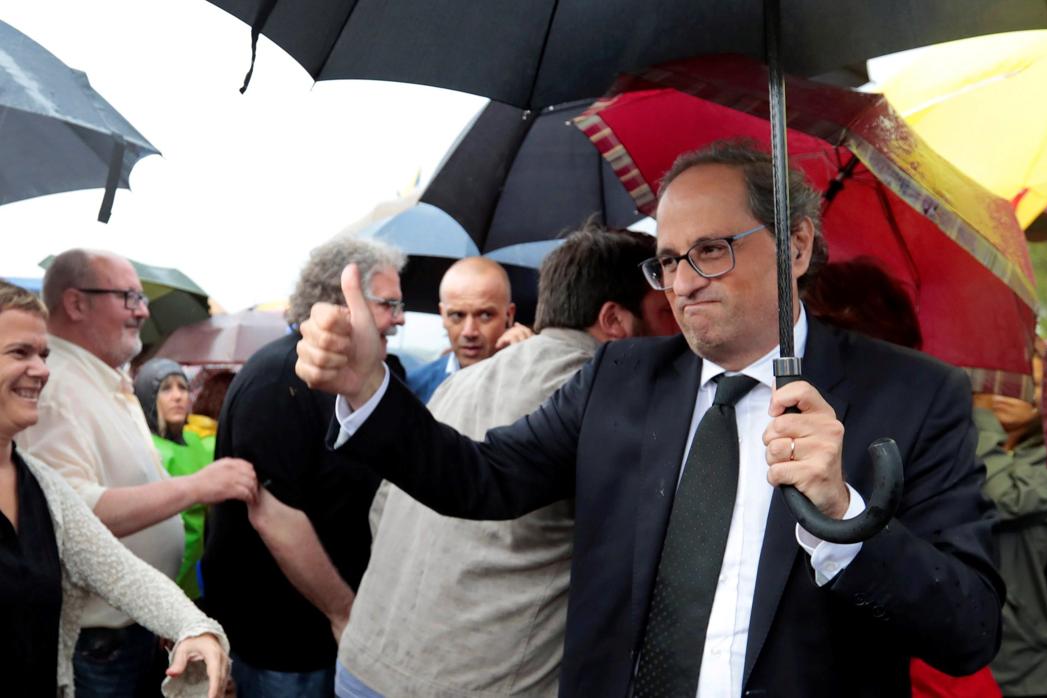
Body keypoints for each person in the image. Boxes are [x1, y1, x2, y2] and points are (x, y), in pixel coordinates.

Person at [297, 141, 1003, 696]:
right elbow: (481, 479)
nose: (686, 281)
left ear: (795, 246)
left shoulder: (916, 397)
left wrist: (844, 514)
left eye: (711, 250)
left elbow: (968, 628)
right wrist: (369, 390)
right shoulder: (619, 375)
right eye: (668, 261)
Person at [335, 226, 680, 698]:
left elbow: (384, 510)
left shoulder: (457, 383)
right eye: (666, 312)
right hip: (478, 682)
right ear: (615, 321)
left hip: (367, 662)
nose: (682, 328)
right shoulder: (608, 404)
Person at [16, 249, 257, 697]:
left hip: (131, 634)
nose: (143, 310)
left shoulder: (99, 380)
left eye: (141, 298)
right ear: (75, 303)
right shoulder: (54, 389)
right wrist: (197, 486)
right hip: (99, 647)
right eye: (129, 297)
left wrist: (181, 622)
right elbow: (77, 520)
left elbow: (109, 556)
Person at [201, 236, 406, 697]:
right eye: (387, 304)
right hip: (285, 645)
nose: (400, 318)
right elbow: (275, 516)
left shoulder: (378, 379)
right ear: (339, 301)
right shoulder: (277, 381)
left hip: (347, 634)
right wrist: (344, 613)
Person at [973, 355, 1047, 698]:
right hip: (956, 650)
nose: (1009, 391)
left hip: (1029, 664)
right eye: (1002, 378)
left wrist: (980, 415)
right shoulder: (948, 452)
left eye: (1026, 383)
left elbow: (999, 497)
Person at [135, 359, 216, 598]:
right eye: (166, 388)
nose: (178, 396)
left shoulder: (199, 443)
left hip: (197, 581)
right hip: (160, 586)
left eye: (183, 387)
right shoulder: (145, 449)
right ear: (148, 396)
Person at [406, 256, 533, 401]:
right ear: (443, 315)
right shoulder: (413, 389)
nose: (469, 332)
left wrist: (530, 367)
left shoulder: (533, 381)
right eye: (457, 315)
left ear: (509, 315)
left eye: (485, 315)